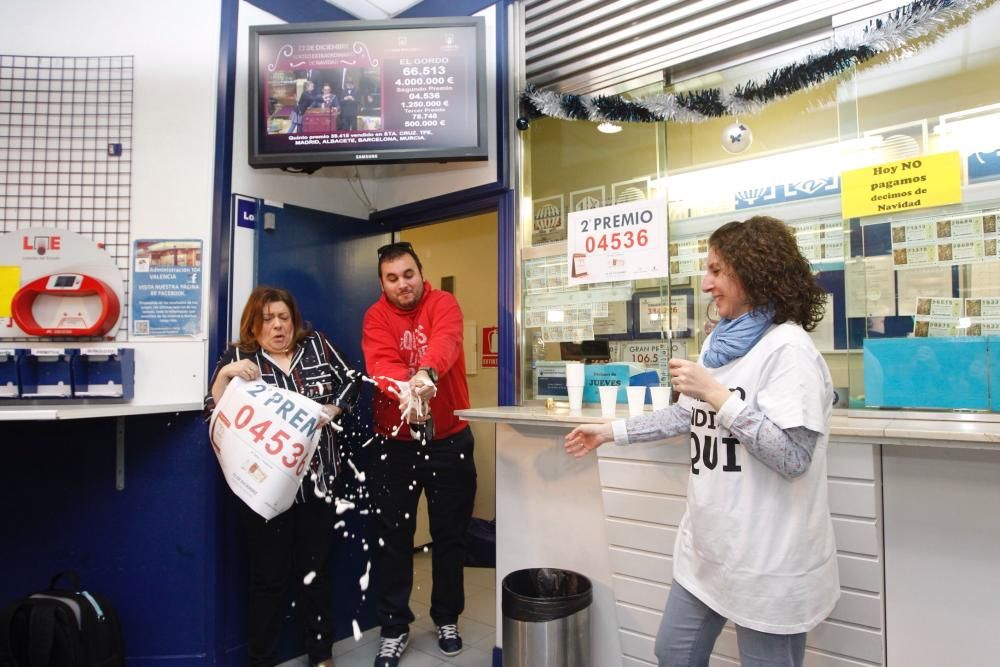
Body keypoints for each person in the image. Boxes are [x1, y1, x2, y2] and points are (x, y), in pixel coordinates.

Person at [565, 216, 838, 667]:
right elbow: (688, 415)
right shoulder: (722, 346)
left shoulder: (788, 350)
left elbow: (793, 457)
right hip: (709, 548)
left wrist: (717, 394)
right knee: (673, 651)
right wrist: (611, 432)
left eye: (716, 270)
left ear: (753, 272)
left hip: (767, 557)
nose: (706, 284)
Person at [205, 285, 362, 667]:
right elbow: (212, 408)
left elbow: (353, 381)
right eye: (268, 319)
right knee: (268, 581)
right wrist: (226, 373)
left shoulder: (319, 347)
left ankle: (321, 656)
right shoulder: (240, 357)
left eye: (284, 318)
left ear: (294, 320)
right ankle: (261, 660)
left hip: (319, 485)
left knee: (317, 574)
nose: (278, 327)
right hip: (265, 493)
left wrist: (334, 408)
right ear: (254, 325)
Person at [362, 241, 477, 667]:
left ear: (420, 273)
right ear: (382, 283)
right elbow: (382, 364)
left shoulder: (443, 302)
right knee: (394, 538)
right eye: (392, 278)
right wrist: (411, 386)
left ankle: (447, 618)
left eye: (408, 274)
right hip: (395, 444)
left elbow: (446, 341)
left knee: (451, 535)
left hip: (450, 440)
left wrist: (428, 372)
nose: (402, 284)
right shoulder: (375, 316)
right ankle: (394, 627)